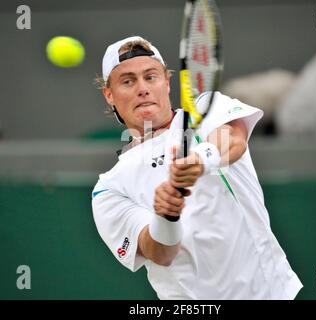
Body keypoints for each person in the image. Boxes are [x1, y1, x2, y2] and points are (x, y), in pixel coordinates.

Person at [92, 35, 303, 300]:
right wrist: (165, 215)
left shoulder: (207, 109)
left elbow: (233, 140)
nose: (143, 88)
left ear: (167, 83)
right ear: (109, 94)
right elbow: (160, 253)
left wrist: (202, 159)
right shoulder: (109, 189)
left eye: (151, 77)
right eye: (128, 81)